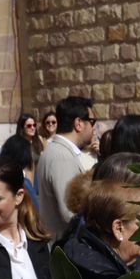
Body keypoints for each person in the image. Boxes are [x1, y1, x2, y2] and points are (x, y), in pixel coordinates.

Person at [37, 95, 98, 236]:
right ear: (78, 124)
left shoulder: (58, 151)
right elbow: (70, 212)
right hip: (64, 246)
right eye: (92, 122)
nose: (93, 128)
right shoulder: (61, 156)